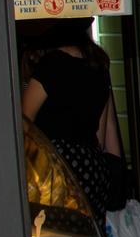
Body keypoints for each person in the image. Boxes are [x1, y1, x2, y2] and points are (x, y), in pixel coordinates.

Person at [20, 18, 122, 222]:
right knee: (89, 236)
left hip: (55, 165)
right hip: (91, 165)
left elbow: (25, 121)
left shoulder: (52, 64)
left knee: (56, 235)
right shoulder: (98, 66)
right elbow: (102, 133)